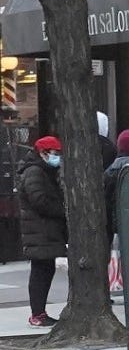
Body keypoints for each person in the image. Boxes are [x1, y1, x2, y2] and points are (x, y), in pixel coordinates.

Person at [18, 136, 66, 328]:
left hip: (42, 230)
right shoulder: (35, 172)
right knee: (41, 270)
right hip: (40, 230)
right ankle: (37, 314)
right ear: (43, 153)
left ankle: (39, 312)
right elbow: (39, 200)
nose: (57, 158)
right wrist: (62, 210)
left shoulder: (42, 171)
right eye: (54, 154)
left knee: (45, 269)